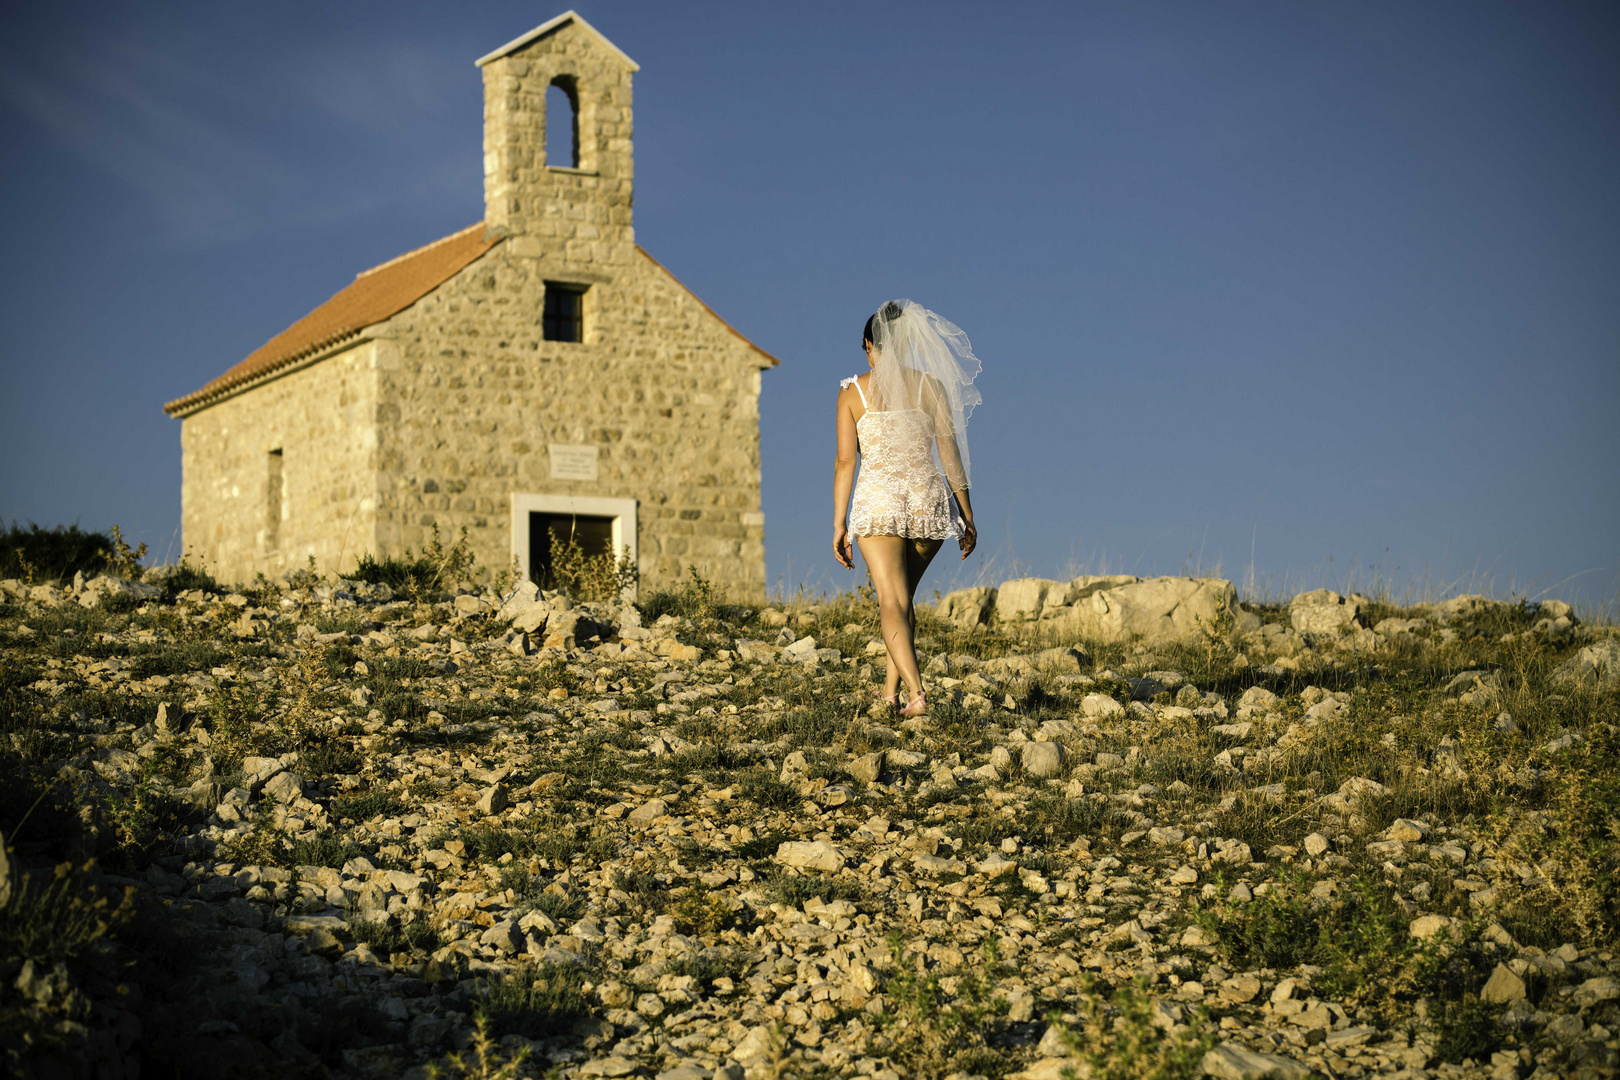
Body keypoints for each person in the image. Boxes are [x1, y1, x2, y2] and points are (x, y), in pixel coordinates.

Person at [833, 299, 982, 717]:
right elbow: (949, 452)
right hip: (927, 502)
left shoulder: (852, 393)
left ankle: (917, 693)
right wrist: (966, 513)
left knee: (891, 602)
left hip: (879, 504)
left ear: (869, 344)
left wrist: (838, 523)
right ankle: (889, 692)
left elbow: (846, 462)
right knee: (904, 600)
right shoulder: (930, 386)